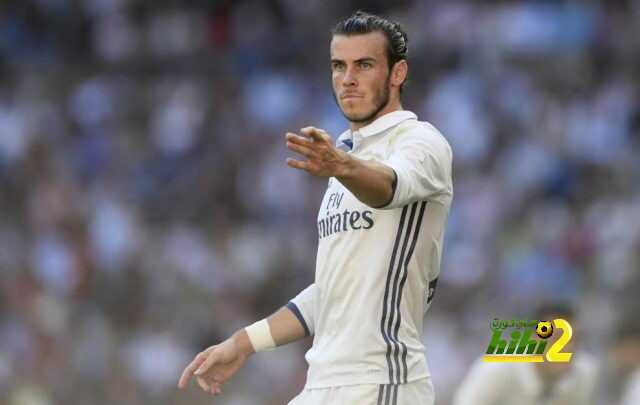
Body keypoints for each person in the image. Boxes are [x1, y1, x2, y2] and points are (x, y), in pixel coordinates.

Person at [178, 11, 453, 405]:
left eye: (365, 65)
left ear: (398, 73)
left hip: (383, 380)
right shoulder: (344, 158)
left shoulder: (420, 142)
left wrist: (342, 167)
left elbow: (388, 188)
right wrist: (244, 342)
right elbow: (333, 292)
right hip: (323, 382)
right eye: (339, 66)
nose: (348, 79)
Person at [453, 303, 599, 405]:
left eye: (575, 339)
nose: (568, 348)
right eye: (557, 338)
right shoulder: (497, 369)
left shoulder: (584, 373)